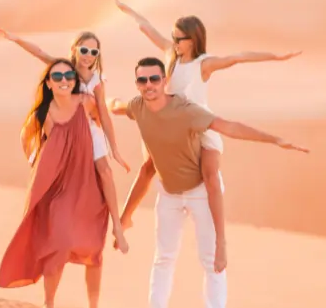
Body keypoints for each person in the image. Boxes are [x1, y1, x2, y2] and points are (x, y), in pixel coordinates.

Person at [112, 0, 301, 274]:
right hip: (170, 127)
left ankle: (220, 243)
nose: (174, 41)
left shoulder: (203, 64)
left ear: (193, 39)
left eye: (179, 38)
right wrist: (127, 9)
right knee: (147, 168)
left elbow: (237, 58)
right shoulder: (169, 56)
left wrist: (275, 57)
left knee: (211, 177)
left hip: (201, 127)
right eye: (173, 36)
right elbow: (146, 27)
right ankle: (124, 219)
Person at [108, 57, 308, 308]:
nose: (149, 85)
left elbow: (230, 127)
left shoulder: (186, 111)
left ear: (165, 81)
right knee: (163, 259)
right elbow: (115, 105)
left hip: (199, 192)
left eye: (154, 79)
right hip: (169, 195)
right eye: (142, 80)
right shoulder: (137, 107)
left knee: (212, 261)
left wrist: (275, 140)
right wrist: (96, 96)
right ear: (137, 84)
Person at [0, 58, 128, 308]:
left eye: (68, 76)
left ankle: (94, 305)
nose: (64, 81)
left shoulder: (86, 102)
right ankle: (49, 303)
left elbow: (100, 122)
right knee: (59, 242)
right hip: (56, 187)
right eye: (57, 77)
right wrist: (36, 159)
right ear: (48, 83)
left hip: (86, 183)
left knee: (92, 246)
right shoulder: (43, 112)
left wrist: (103, 148)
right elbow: (25, 136)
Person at [0, 28, 131, 173]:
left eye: (94, 52)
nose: (89, 56)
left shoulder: (96, 81)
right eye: (84, 50)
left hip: (85, 130)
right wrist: (17, 39)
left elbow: (103, 114)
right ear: (74, 49)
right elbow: (39, 53)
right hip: (60, 123)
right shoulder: (64, 68)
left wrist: (114, 149)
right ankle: (37, 169)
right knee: (28, 132)